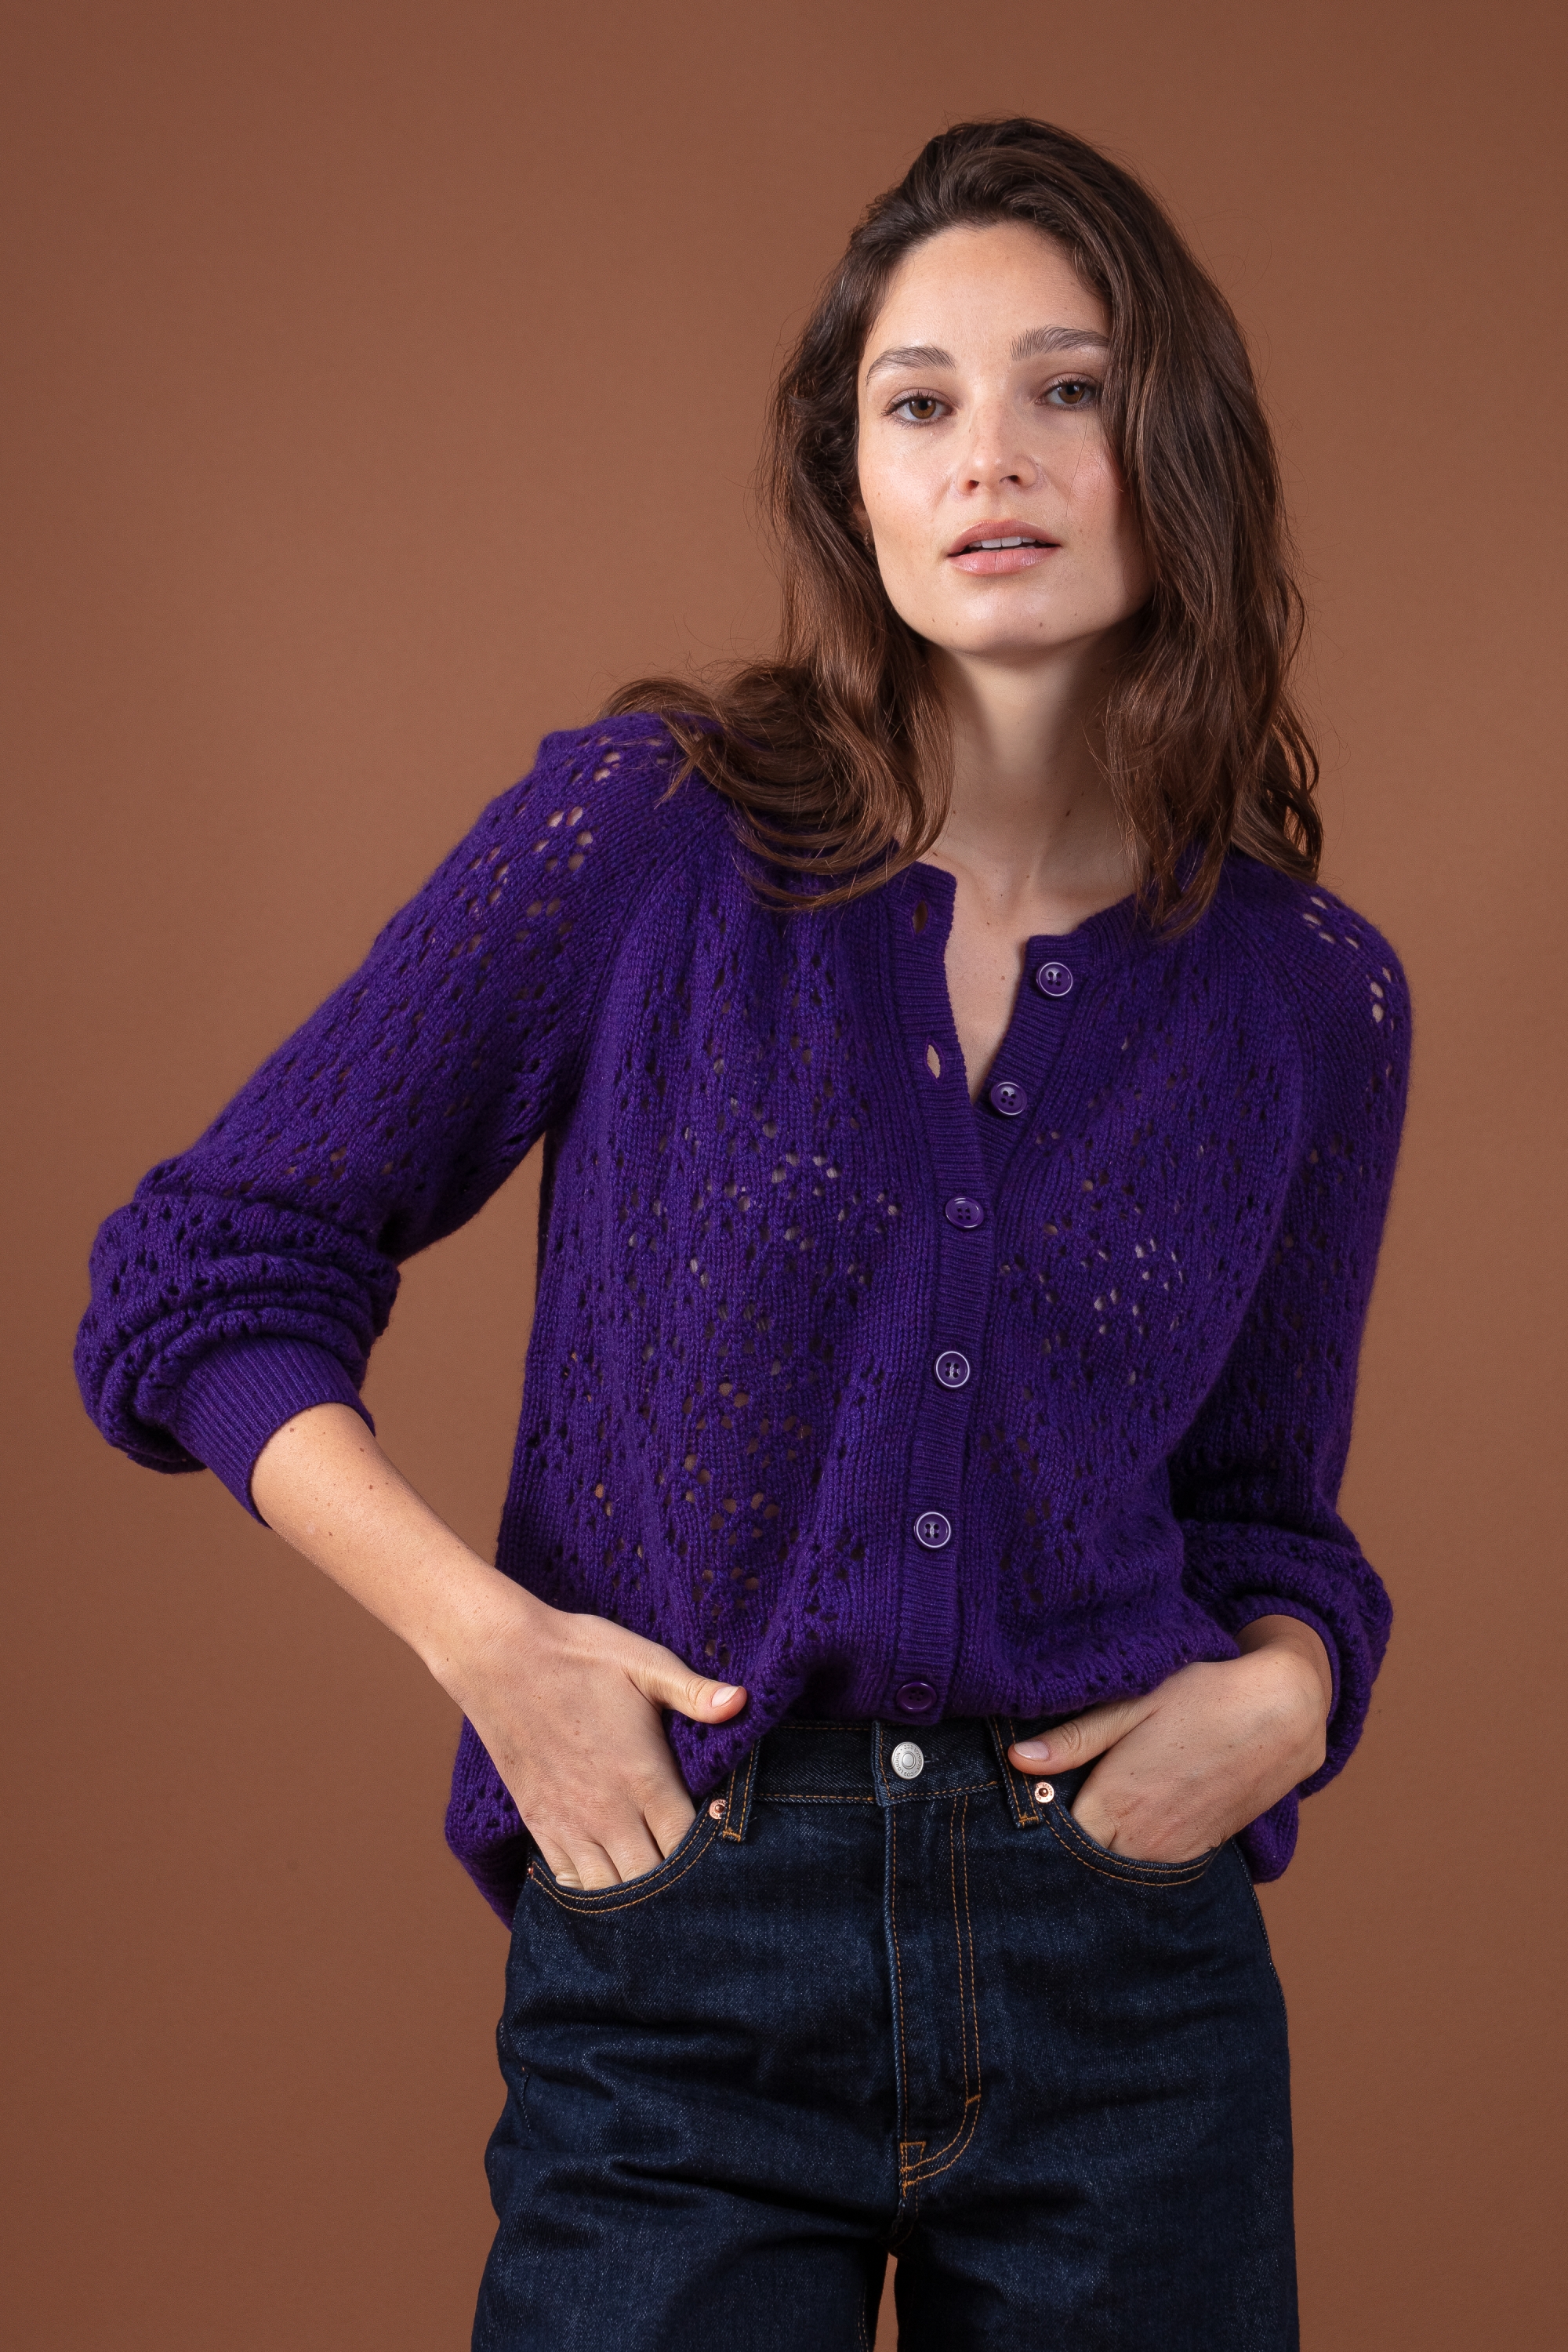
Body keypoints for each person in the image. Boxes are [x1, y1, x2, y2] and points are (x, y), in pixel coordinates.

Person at [75, 118, 1410, 2350]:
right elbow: (202, 1273)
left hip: (1125, 1983)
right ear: (851, 479)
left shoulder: (1309, 998)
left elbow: (1269, 1517)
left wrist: (1293, 1690)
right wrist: (492, 1649)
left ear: (1178, 450)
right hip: (685, 1945)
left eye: (1069, 389)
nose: (989, 457)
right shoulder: (652, 845)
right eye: (920, 401)